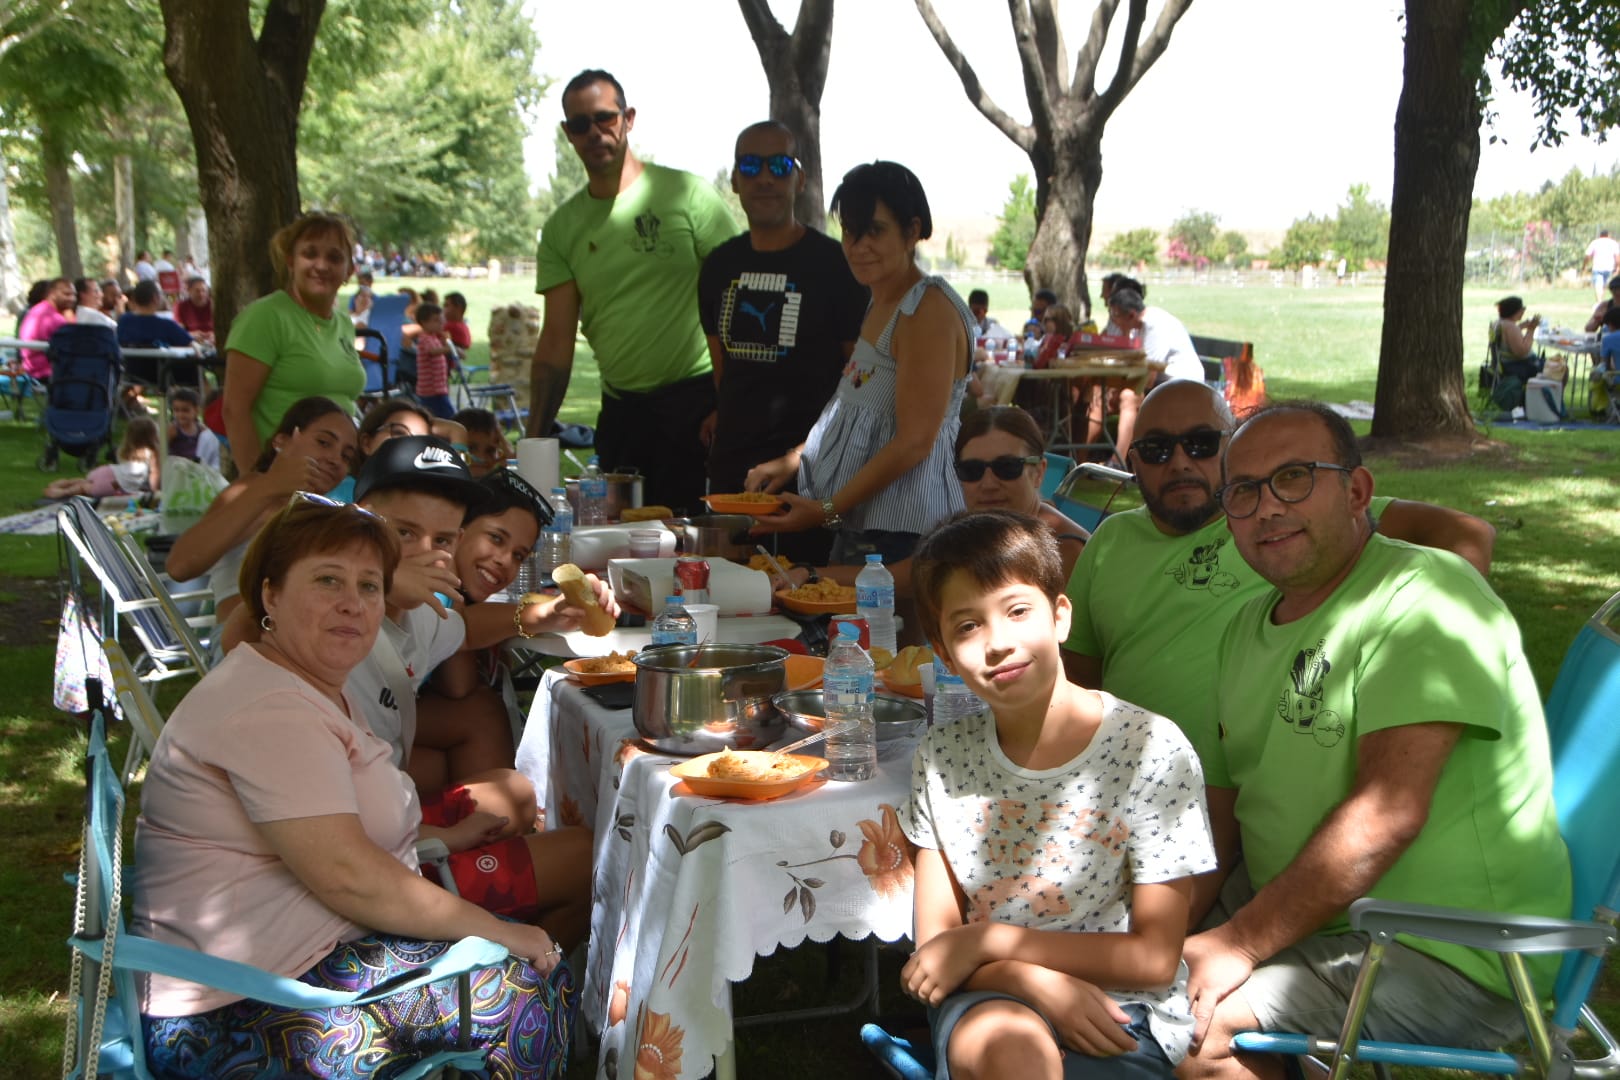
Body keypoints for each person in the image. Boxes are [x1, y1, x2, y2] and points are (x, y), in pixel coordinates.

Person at [1179, 402, 1571, 1078]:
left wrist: (1237, 943)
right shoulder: (1247, 624)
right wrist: (1163, 925)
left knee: (1203, 1034)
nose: (1267, 507)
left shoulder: (1428, 598)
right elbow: (1224, 803)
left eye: (1294, 478)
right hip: (1315, 915)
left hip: (1450, 949)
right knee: (1120, 957)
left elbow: (1385, 818)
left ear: (1357, 492)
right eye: (1243, 490)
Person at [131, 499, 577, 1077]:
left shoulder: (308, 686)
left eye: (370, 586)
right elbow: (350, 879)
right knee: (517, 995)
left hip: (298, 962)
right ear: (270, 595)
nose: (352, 603)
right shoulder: (270, 708)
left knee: (525, 970)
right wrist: (496, 929)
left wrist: (446, 843)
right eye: (327, 580)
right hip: (234, 1012)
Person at [900, 509, 1216, 1079]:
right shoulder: (942, 759)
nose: (998, 643)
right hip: (988, 997)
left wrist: (990, 940)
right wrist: (1028, 979)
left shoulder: (1151, 748)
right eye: (967, 626)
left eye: (1018, 611)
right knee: (1014, 1052)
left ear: (1061, 616)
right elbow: (937, 957)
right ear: (943, 655)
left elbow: (1155, 954)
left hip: (1125, 1008)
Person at [1062, 380, 1496, 777]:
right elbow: (1078, 678)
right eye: (1157, 449)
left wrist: (1438, 633)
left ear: (1231, 447)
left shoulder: (1294, 519)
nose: (1179, 462)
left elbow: (1465, 533)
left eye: (1201, 443)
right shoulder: (1112, 539)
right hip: (1125, 782)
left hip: (1249, 782)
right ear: (1133, 460)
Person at [525, 69, 737, 512]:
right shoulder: (563, 228)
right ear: (568, 134)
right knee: (619, 545)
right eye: (580, 125)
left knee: (692, 543)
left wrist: (730, 405)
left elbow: (736, 302)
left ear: (629, 118)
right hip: (621, 412)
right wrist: (535, 436)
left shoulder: (686, 194)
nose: (594, 132)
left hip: (696, 405)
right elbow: (556, 341)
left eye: (605, 118)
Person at [747, 160, 974, 566]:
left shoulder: (926, 309)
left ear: (914, 230)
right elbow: (852, 410)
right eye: (851, 232)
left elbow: (915, 441)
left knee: (895, 633)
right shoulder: (880, 299)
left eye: (876, 231)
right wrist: (795, 460)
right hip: (863, 524)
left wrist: (827, 509)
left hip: (906, 533)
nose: (859, 245)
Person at [698, 119, 867, 563]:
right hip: (734, 473)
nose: (765, 178)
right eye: (751, 166)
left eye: (779, 164)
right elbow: (724, 371)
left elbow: (860, 382)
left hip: (813, 474)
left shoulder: (835, 265)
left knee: (807, 599)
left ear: (800, 177)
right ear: (734, 180)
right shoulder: (718, 266)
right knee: (730, 601)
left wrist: (805, 454)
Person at [790, 405, 1092, 597]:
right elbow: (900, 577)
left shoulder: (1067, 548)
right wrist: (810, 573)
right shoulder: (974, 532)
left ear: (1038, 472)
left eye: (1007, 467)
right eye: (972, 471)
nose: (988, 483)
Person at [167, 396, 359, 624]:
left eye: (346, 456)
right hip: (247, 645)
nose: (335, 459)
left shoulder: (325, 512)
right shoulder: (251, 489)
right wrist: (272, 485)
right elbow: (180, 566)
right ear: (282, 441)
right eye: (324, 442)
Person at [222, 210, 366, 470]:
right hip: (282, 480)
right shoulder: (265, 317)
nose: (321, 265)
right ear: (291, 260)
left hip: (338, 479)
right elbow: (235, 410)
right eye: (310, 254)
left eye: (334, 257)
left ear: (349, 271)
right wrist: (256, 484)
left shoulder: (344, 324)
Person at [1096, 287, 1202, 461]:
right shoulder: (1139, 325)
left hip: (1183, 386)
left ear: (1130, 315)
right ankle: (1085, 458)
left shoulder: (1154, 325)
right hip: (1165, 385)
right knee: (1105, 395)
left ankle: (1117, 461)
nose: (1113, 321)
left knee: (1129, 397)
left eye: (1115, 315)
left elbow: (1148, 377)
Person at [44, 417, 161, 500]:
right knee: (82, 488)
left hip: (107, 472)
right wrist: (155, 491)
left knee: (84, 481)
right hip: (115, 483)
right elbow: (154, 474)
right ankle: (61, 492)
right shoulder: (152, 453)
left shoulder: (124, 449)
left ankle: (59, 484)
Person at [17, 277, 74, 381]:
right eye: (66, 294)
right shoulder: (54, 318)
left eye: (73, 294)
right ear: (52, 294)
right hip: (47, 372)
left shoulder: (37, 309)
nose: (72, 298)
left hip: (30, 369)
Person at [412, 302, 456, 419]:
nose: (441, 324)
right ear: (424, 322)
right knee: (447, 416)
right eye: (436, 321)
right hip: (430, 390)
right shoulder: (424, 339)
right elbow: (432, 352)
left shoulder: (434, 338)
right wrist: (448, 348)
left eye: (441, 320)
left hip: (439, 387)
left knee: (443, 415)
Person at [1491, 295, 1544, 382]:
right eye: (1522, 308)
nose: (1523, 311)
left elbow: (1506, 337)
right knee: (1559, 368)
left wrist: (1521, 326)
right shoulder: (1511, 327)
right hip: (1517, 367)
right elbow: (1522, 352)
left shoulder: (1498, 323)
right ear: (1515, 311)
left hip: (1503, 364)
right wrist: (1531, 329)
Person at [167, 387, 221, 471]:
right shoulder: (173, 429)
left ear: (196, 411)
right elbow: (163, 449)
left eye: (185, 410)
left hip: (196, 467)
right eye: (176, 410)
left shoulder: (201, 429)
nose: (180, 414)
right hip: (178, 469)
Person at [454, 407, 513, 478]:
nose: (481, 458)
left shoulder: (498, 484)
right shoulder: (441, 485)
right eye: (470, 448)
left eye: (490, 451)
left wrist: (512, 462)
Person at [174, 276, 215, 345]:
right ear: (189, 291)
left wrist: (214, 334)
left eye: (203, 290)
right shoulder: (180, 306)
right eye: (197, 291)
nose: (201, 294)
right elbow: (178, 330)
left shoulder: (213, 305)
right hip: (192, 343)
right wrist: (191, 334)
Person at [1583, 229, 1619, 300]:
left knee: (1598, 284)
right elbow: (1617, 256)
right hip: (1609, 267)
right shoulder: (1613, 243)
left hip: (1597, 267)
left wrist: (1585, 265)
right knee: (1604, 284)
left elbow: (1588, 255)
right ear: (1608, 235)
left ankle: (1599, 301)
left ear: (1600, 235)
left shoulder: (1595, 242)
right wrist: (1618, 266)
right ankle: (1601, 300)